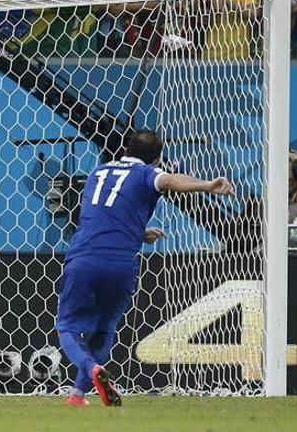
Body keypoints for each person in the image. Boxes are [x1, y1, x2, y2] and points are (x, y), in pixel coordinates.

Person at [56, 129, 234, 407]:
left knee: (67, 326)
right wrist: (208, 185)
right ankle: (78, 395)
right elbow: (171, 180)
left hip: (84, 258)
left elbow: (100, 219)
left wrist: (138, 233)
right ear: (157, 158)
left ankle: (91, 370)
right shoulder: (147, 174)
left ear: (127, 148)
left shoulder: (97, 173)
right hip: (121, 265)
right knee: (104, 329)